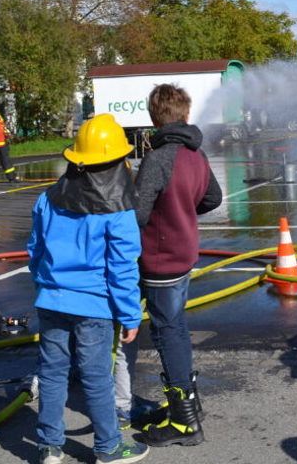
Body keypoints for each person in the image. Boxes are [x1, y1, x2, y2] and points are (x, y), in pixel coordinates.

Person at [28, 114, 148, 464]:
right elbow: (123, 269)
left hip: (51, 300)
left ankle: (49, 446)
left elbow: (35, 249)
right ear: (117, 162)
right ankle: (108, 447)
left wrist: (45, 285)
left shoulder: (48, 199)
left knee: (52, 373)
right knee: (97, 378)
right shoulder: (119, 211)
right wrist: (130, 315)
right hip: (94, 307)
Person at [114, 83, 222, 448]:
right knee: (176, 328)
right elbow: (213, 197)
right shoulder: (197, 154)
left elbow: (139, 213)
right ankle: (190, 407)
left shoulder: (159, 158)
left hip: (160, 260)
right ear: (186, 115)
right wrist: (184, 212)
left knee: (168, 332)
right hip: (184, 255)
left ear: (153, 118)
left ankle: (184, 422)